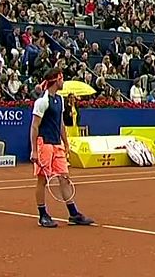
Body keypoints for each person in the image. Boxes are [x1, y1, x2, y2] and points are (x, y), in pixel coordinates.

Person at [30, 68, 94, 228]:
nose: (63, 81)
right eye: (61, 78)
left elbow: (60, 124)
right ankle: (43, 215)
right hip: (44, 143)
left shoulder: (60, 100)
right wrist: (34, 150)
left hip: (57, 144)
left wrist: (66, 143)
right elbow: (34, 126)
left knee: (64, 178)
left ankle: (73, 214)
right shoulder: (42, 101)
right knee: (42, 180)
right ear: (54, 81)